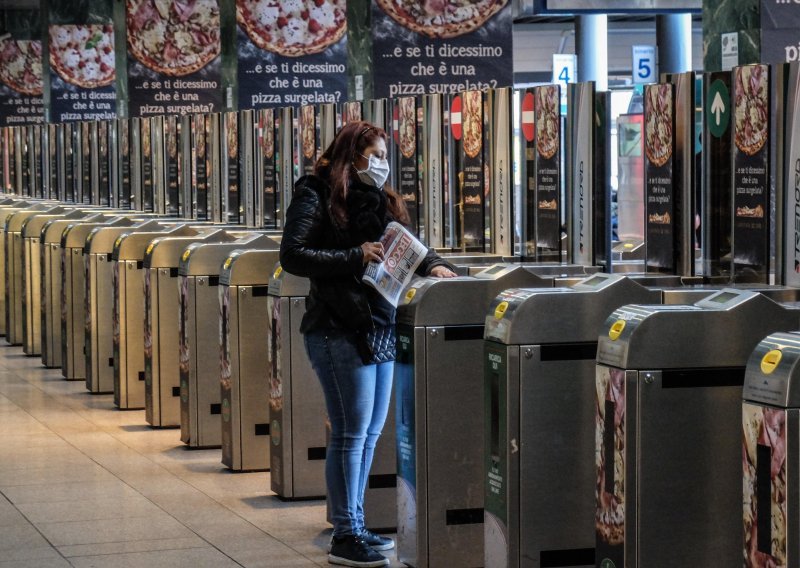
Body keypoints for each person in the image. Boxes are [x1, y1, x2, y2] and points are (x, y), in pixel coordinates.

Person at [280, 121, 456, 568]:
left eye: (383, 156)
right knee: (350, 434)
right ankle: (345, 534)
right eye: (372, 156)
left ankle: (356, 525)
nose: (380, 164)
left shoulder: (381, 200)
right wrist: (354, 255)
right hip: (337, 328)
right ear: (349, 156)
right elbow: (293, 255)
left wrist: (433, 265)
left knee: (370, 434)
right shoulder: (315, 194)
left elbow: (406, 246)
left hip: (378, 324)